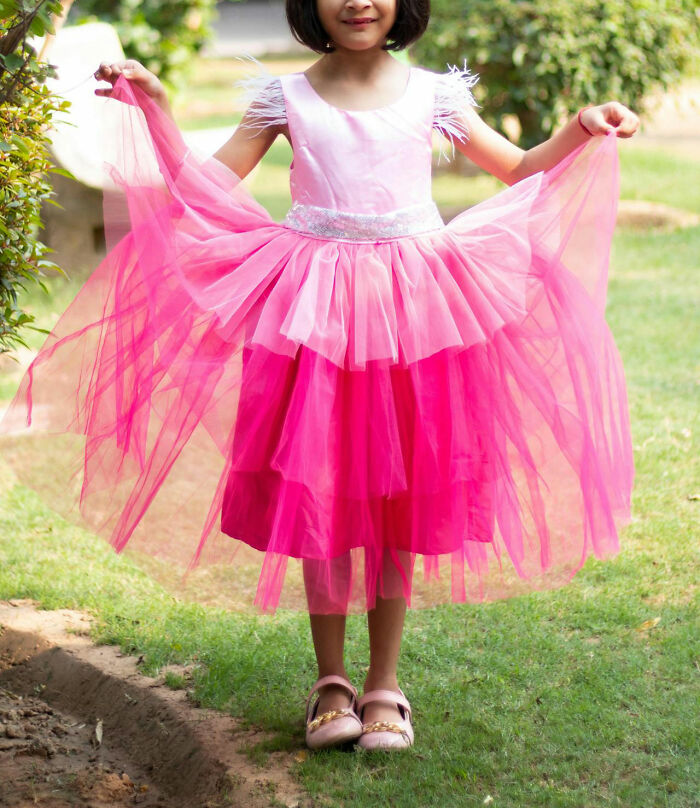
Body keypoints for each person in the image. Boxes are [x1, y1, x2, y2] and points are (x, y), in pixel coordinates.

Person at [2, 0, 638, 751]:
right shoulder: (287, 98)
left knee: (401, 500)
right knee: (322, 491)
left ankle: (385, 684)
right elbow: (202, 189)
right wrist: (162, 115)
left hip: (414, 313)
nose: (358, 1)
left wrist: (582, 126)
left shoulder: (436, 94)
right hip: (317, 316)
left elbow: (522, 167)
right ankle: (331, 680)